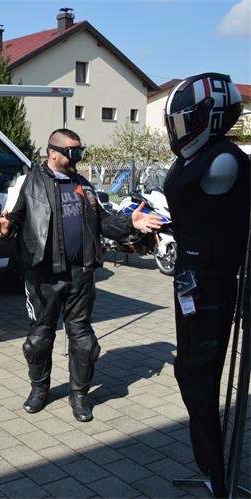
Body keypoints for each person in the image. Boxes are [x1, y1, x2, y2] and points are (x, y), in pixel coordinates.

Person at [0, 128, 163, 422]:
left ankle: (79, 395)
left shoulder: (83, 185)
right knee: (38, 340)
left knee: (84, 340)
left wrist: (129, 222)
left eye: (81, 151)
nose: (78, 158)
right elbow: (11, 223)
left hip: (81, 274)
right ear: (53, 152)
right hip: (42, 275)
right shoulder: (27, 183)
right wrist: (4, 231)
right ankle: (39, 390)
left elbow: (103, 222)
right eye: (73, 152)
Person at [162, 73, 249, 498]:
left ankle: (217, 470)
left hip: (211, 286)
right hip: (189, 280)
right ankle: (212, 466)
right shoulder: (195, 157)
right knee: (188, 371)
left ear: (208, 117)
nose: (177, 130)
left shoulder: (223, 161)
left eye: (183, 120)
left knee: (199, 376)